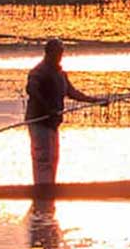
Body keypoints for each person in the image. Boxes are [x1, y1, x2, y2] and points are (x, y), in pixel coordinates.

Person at [25, 39, 107, 191]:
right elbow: (31, 89)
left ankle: (49, 189)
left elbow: (72, 92)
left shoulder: (60, 74)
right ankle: (42, 190)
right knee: (43, 158)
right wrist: (47, 108)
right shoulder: (39, 71)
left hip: (53, 122)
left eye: (61, 53)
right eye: (56, 53)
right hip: (39, 121)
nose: (59, 56)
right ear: (48, 53)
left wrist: (95, 101)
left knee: (53, 158)